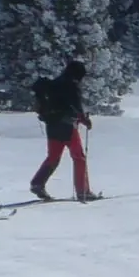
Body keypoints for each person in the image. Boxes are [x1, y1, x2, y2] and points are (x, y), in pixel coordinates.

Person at [30, 60, 97, 201]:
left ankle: (38, 183)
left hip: (51, 125)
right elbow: (75, 106)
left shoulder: (54, 84)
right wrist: (85, 120)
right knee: (79, 157)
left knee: (53, 157)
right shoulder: (71, 86)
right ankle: (83, 191)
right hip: (67, 126)